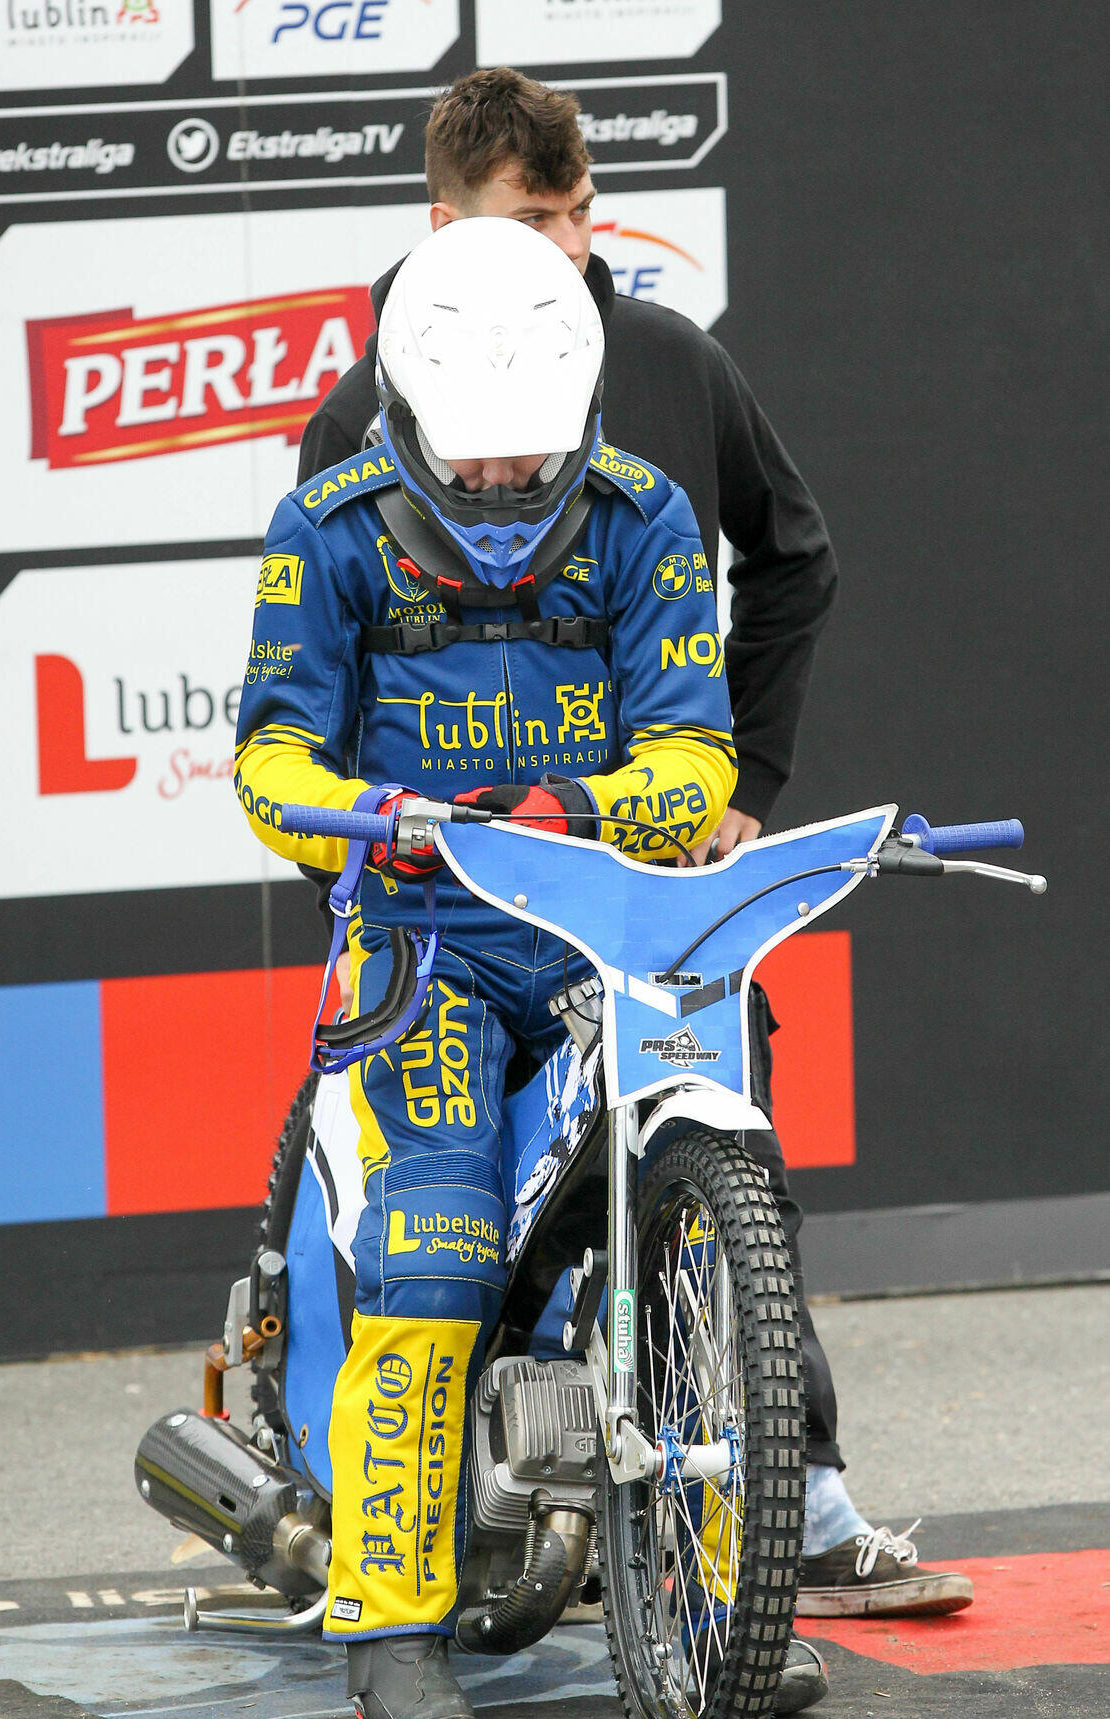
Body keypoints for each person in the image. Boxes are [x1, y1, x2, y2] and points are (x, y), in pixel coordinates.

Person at [296, 66, 973, 1629]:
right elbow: (327, 668)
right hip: (444, 891)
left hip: (640, 874)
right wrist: (362, 852)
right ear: (442, 226)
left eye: (572, 214)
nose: (558, 249)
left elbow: (794, 558)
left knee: (723, 1145)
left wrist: (744, 779)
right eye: (520, 220)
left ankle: (787, 1495)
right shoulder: (363, 405)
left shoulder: (670, 358)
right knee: (425, 1202)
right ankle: (409, 1498)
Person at [236, 215, 745, 1719]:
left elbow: (696, 753)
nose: (510, 482)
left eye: (534, 455)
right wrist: (369, 814)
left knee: (713, 1219)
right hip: (423, 939)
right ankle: (395, 1619)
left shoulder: (648, 514)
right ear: (406, 405)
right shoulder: (326, 529)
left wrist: (573, 809)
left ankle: (728, 1596)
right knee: (439, 1246)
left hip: (603, 928)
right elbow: (270, 762)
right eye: (477, 460)